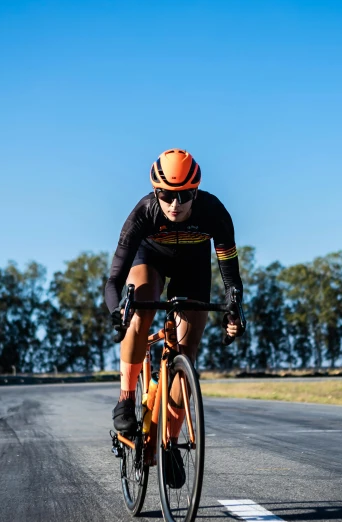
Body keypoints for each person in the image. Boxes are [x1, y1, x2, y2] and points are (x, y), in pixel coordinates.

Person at [104, 148, 245, 486]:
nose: (175, 203)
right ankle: (126, 398)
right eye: (166, 195)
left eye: (184, 196)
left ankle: (169, 443)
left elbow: (231, 279)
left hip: (192, 269)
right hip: (149, 261)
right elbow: (113, 281)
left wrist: (234, 310)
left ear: (196, 192)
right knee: (142, 308)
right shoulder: (143, 214)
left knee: (186, 355)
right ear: (156, 192)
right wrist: (116, 313)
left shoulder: (214, 213)